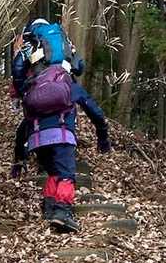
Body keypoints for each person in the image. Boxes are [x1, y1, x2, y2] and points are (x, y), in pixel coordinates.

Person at [10, 21, 111, 233]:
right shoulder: (68, 84)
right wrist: (103, 137)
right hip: (63, 135)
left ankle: (49, 207)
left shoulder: (33, 88)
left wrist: (19, 159)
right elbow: (94, 111)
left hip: (37, 138)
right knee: (66, 175)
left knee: (53, 172)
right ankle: (63, 211)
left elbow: (22, 128)